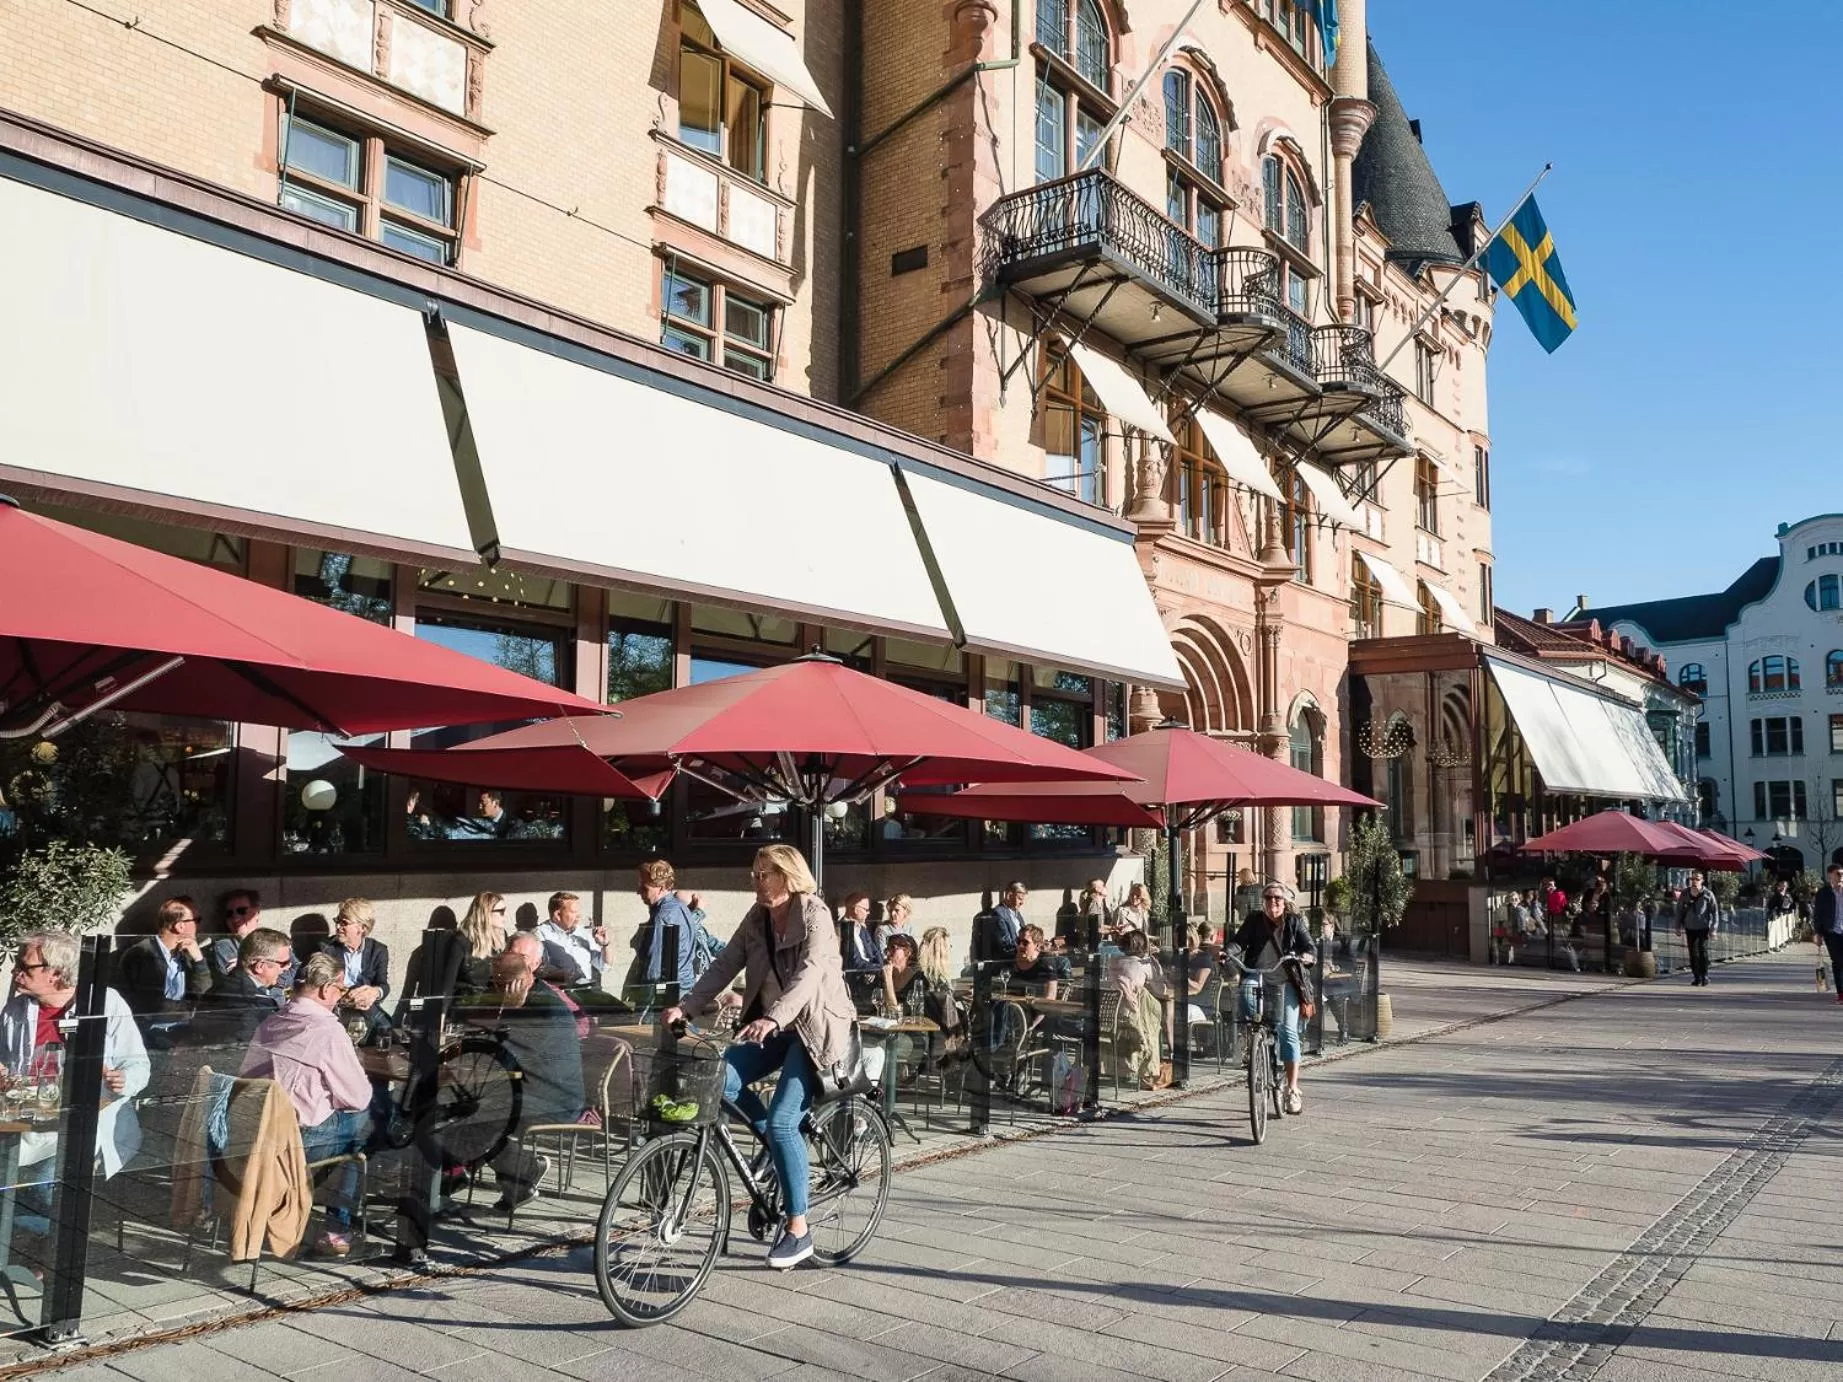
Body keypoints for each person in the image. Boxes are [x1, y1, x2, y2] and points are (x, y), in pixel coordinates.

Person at [663, 844, 856, 1271]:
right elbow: (723, 964)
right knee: (722, 1078)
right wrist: (687, 1006)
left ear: (787, 877)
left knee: (787, 1119)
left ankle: (799, 1230)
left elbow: (810, 975)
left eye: (764, 874)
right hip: (771, 1026)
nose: (756, 881)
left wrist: (773, 1017)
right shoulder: (757, 918)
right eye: (753, 873)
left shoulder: (815, 915)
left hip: (813, 1031)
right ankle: (775, 1145)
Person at [239, 953, 374, 1256]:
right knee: (364, 1121)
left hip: (256, 1134)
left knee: (350, 1126)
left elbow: (246, 1075)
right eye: (340, 990)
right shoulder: (328, 1029)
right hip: (298, 1142)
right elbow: (358, 1096)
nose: (340, 996)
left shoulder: (272, 1020)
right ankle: (336, 1231)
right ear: (326, 989)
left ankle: (310, 1207)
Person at [1, 930, 150, 1192]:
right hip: (28, 1120)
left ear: (56, 973)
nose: (16, 973)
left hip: (82, 1124)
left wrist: (123, 1080)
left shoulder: (105, 1003)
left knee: (46, 1189)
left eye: (24, 967)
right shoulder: (16, 1010)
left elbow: (140, 1066)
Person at [457, 950, 586, 1211]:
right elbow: (476, 1030)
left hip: (554, 1098)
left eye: (497, 983)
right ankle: (462, 1175)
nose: (492, 988)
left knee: (478, 1116)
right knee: (461, 1108)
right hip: (523, 1090)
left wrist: (507, 1009)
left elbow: (500, 1055)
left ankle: (523, 1170)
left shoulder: (544, 1008)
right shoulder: (519, 998)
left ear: (521, 980)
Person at [1228, 884, 1315, 1115]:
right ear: (1263, 901)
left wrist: (1306, 956)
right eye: (1268, 898)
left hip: (1285, 982)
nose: (1272, 902)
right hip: (1257, 977)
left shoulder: (1294, 922)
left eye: (1277, 899)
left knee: (1287, 1031)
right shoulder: (1254, 921)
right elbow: (1239, 942)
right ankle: (1253, 1041)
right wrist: (1228, 952)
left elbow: (1309, 946)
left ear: (1284, 902)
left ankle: (1292, 1089)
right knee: (1246, 996)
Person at [115, 896, 212, 1021]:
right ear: (180, 926)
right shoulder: (142, 954)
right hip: (151, 1032)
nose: (199, 925)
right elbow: (153, 1006)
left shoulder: (187, 954)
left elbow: (205, 992)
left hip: (183, 1030)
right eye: (197, 919)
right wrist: (188, 1012)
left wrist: (199, 960)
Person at [199, 927, 294, 1045]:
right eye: (284, 963)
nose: (287, 967)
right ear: (260, 966)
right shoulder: (255, 1004)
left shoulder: (220, 987)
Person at [319, 898, 390, 1039]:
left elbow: (383, 984)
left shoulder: (378, 950)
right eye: (337, 921)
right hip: (336, 1008)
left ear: (362, 927)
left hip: (366, 1008)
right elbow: (319, 986)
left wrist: (374, 992)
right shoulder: (326, 949)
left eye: (344, 923)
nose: (338, 927)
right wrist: (347, 997)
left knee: (387, 1029)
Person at [1107, 930, 1170, 1089]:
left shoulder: (1113, 961)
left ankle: (1124, 1069)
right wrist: (1153, 960)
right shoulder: (1144, 963)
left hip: (1111, 1014)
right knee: (1154, 1019)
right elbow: (1160, 988)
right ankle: (1149, 1073)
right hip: (1133, 1015)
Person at [629, 861, 697, 997]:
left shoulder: (662, 916)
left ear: (660, 887)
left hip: (666, 992)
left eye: (644, 888)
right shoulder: (681, 907)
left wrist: (644, 995)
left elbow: (654, 967)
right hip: (683, 986)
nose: (638, 892)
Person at [210, 888, 295, 987]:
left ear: (257, 912)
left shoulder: (273, 940)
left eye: (241, 911)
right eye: (229, 914)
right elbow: (239, 983)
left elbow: (296, 973)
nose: (235, 918)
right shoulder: (224, 946)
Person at [536, 890, 613, 989]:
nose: (579, 916)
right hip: (560, 996)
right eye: (573, 912)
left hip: (586, 993)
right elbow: (538, 972)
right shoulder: (540, 935)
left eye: (578, 912)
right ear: (557, 915)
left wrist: (605, 945)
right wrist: (571, 980)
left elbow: (604, 966)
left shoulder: (582, 932)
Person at [455, 891, 509, 996]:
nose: (506, 915)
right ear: (486, 913)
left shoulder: (502, 937)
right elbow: (448, 981)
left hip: (493, 1001)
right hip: (467, 1003)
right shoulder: (462, 941)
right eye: (501, 911)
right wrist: (443, 1012)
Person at [1674, 869, 1720, 986]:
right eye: (1692, 879)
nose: (1694, 881)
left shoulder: (1707, 894)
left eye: (1697, 879)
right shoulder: (1685, 893)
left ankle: (1704, 975)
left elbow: (1715, 912)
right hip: (1690, 927)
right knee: (1693, 953)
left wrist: (1713, 928)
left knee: (1702, 951)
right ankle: (1696, 976)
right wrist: (1677, 926)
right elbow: (1679, 910)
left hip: (1703, 927)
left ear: (1702, 881)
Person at [838, 892, 881, 1003]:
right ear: (856, 909)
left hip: (870, 974)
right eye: (866, 909)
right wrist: (876, 969)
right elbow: (854, 960)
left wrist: (876, 970)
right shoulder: (841, 930)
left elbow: (876, 953)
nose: (868, 913)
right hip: (855, 979)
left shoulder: (862, 929)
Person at [1006, 925, 1070, 999]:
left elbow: (1050, 997)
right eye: (1018, 941)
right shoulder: (1012, 959)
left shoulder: (1045, 962)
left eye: (1025, 942)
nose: (1020, 945)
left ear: (1037, 945)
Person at [1814, 863, 1843, 1002]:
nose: (1841, 876)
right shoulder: (1823, 893)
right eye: (1838, 874)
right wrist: (1817, 933)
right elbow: (1818, 914)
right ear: (1830, 875)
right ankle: (1841, 993)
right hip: (1832, 932)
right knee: (1838, 962)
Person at [992, 881, 1028, 961]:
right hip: (1009, 961)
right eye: (1019, 899)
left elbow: (1025, 934)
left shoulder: (1017, 913)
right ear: (1009, 896)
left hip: (1020, 956)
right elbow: (1006, 945)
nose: (1022, 903)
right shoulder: (998, 913)